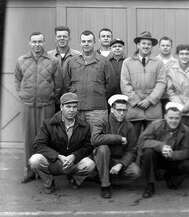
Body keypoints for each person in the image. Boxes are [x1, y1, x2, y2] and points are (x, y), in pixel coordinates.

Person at [15, 32, 63, 183]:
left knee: (45, 140)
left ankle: (45, 172)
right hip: (28, 105)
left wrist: (50, 97)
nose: (37, 44)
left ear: (44, 42)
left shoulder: (53, 60)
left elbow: (59, 83)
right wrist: (22, 95)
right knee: (29, 138)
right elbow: (17, 79)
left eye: (40, 41)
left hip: (46, 105)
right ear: (29, 43)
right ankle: (29, 171)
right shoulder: (21, 60)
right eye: (34, 41)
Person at [28, 92, 95, 194]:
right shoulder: (49, 123)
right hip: (53, 162)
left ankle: (75, 179)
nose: (71, 110)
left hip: (73, 162)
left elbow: (88, 147)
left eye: (74, 107)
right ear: (61, 107)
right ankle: (48, 182)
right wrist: (58, 156)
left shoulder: (84, 126)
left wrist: (73, 156)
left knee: (89, 164)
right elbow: (37, 145)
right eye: (68, 106)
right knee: (35, 160)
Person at [139, 102, 189, 198]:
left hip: (171, 159)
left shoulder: (185, 130)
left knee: (188, 164)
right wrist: (161, 146)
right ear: (165, 116)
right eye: (171, 118)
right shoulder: (155, 125)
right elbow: (142, 142)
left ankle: (168, 176)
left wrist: (173, 155)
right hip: (156, 157)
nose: (174, 121)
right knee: (148, 152)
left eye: (177, 118)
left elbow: (187, 151)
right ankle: (150, 184)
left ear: (181, 118)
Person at [92, 94, 141, 199]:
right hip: (102, 159)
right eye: (119, 110)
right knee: (103, 148)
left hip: (118, 160)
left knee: (135, 172)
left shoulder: (129, 126)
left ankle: (108, 179)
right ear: (112, 109)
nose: (122, 113)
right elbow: (94, 139)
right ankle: (105, 185)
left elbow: (132, 150)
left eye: (124, 110)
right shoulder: (102, 122)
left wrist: (121, 164)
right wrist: (118, 138)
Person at [64, 30, 115, 128]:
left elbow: (111, 85)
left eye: (89, 41)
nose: (86, 44)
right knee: (77, 141)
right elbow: (66, 85)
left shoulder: (104, 62)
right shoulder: (71, 62)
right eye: (83, 41)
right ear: (80, 42)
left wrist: (99, 96)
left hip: (97, 110)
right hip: (76, 109)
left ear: (95, 42)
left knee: (98, 140)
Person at [120, 31, 166, 136]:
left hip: (153, 108)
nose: (146, 46)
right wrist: (136, 101)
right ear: (138, 45)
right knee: (133, 140)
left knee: (153, 139)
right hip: (134, 108)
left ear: (152, 46)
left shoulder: (159, 62)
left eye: (149, 44)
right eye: (143, 43)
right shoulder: (127, 62)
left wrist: (149, 100)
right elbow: (125, 84)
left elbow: (161, 83)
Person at [166, 44, 189, 133]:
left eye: (187, 54)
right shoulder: (171, 70)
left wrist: (188, 104)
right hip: (178, 107)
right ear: (177, 55)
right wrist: (181, 105)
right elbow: (170, 90)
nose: (184, 56)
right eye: (182, 54)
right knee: (179, 133)